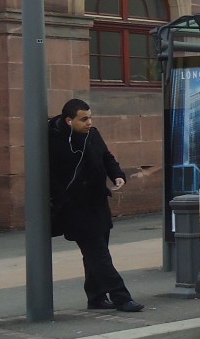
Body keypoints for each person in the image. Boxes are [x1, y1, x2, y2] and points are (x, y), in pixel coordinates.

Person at [47, 98, 144, 312]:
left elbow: (107, 157)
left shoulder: (92, 134)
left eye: (90, 117)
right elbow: (51, 177)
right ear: (69, 121)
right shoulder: (54, 140)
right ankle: (121, 297)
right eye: (84, 119)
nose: (89, 122)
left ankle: (96, 296)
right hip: (75, 207)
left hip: (97, 201)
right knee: (99, 254)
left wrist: (117, 175)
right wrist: (62, 202)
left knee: (95, 253)